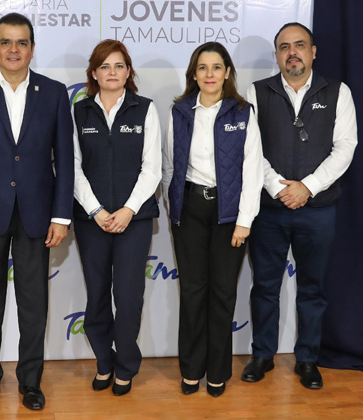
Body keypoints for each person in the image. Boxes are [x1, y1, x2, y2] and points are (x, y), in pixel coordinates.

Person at [0, 12, 74, 412]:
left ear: (33, 48)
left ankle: (30, 382)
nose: (13, 50)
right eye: (5, 42)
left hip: (38, 213)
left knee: (33, 304)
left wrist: (61, 216)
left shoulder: (54, 93)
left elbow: (65, 159)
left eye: (22, 42)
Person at [240, 22, 357, 390]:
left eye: (300, 45)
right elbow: (250, 150)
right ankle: (262, 355)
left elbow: (345, 148)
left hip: (318, 210)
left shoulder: (338, 92)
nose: (292, 52)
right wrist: (279, 189)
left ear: (313, 52)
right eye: (284, 47)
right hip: (269, 210)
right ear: (277, 55)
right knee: (264, 287)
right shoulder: (257, 92)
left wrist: (307, 187)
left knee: (312, 289)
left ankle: (307, 358)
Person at [162, 41, 263, 397]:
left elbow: (253, 170)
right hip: (189, 210)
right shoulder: (179, 112)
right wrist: (174, 206)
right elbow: (170, 166)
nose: (209, 74)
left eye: (216, 67)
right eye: (202, 68)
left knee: (222, 294)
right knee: (192, 292)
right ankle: (191, 370)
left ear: (227, 72)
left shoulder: (243, 112)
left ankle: (217, 372)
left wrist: (244, 220)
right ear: (194, 73)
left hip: (228, 214)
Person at [72, 39, 161, 396]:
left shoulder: (145, 109)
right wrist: (95, 210)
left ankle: (125, 365)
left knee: (128, 297)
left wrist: (128, 209)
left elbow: (152, 168)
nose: (112, 72)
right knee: (96, 295)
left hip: (133, 222)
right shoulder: (79, 112)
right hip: (91, 221)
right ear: (94, 73)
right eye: (105, 66)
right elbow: (72, 167)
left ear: (128, 72)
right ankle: (104, 362)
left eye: (119, 66)